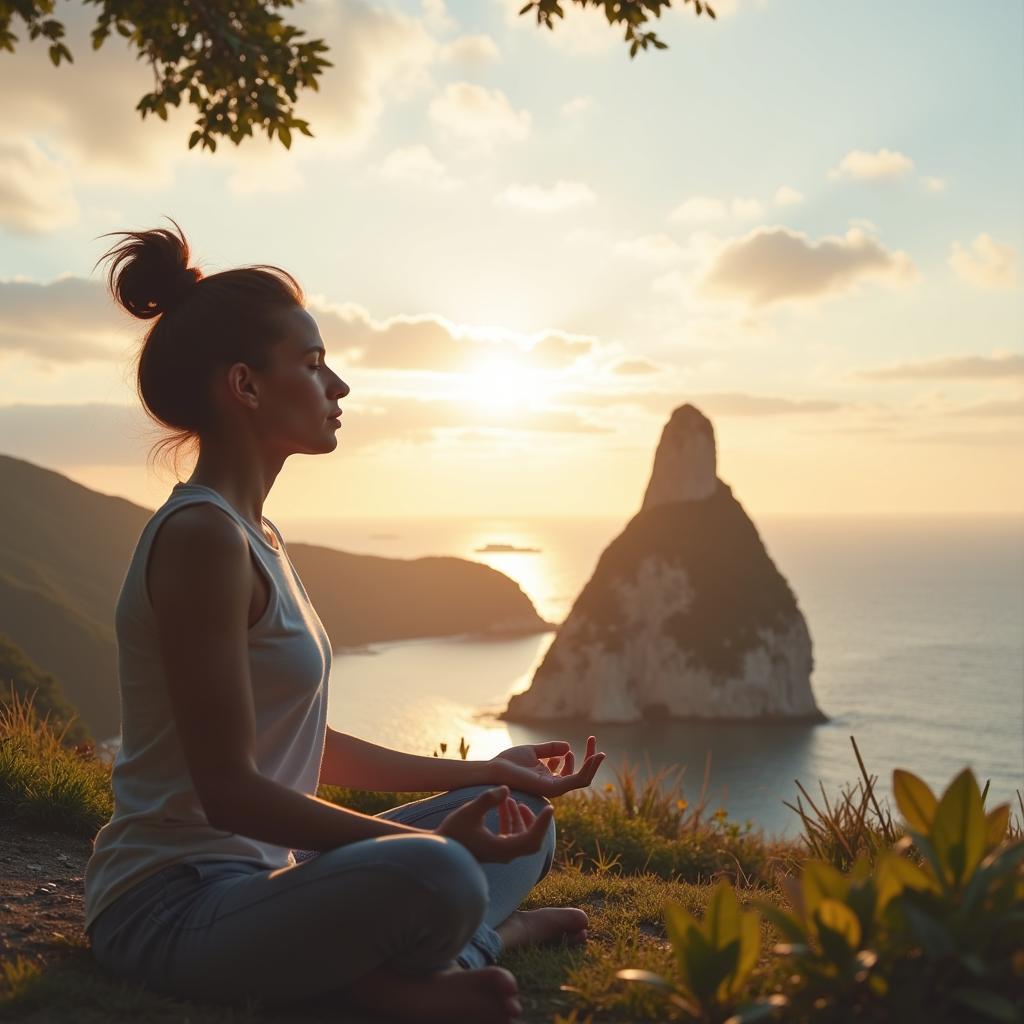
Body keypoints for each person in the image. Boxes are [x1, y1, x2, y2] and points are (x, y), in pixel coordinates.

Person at [82, 219, 606, 1024]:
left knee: (522, 820)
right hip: (171, 906)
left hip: (267, 887)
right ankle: (457, 949)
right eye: (315, 364)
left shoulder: (257, 537)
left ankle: (438, 956)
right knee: (442, 874)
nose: (341, 388)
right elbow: (229, 793)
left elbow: (300, 748)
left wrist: (489, 774)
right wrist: (418, 849)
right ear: (246, 387)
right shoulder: (200, 540)